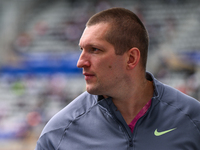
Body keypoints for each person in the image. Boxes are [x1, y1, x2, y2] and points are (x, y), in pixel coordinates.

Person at [35, 7, 200, 150]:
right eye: (81, 49)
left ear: (131, 58)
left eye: (94, 49)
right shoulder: (58, 134)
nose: (80, 62)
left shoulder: (193, 119)